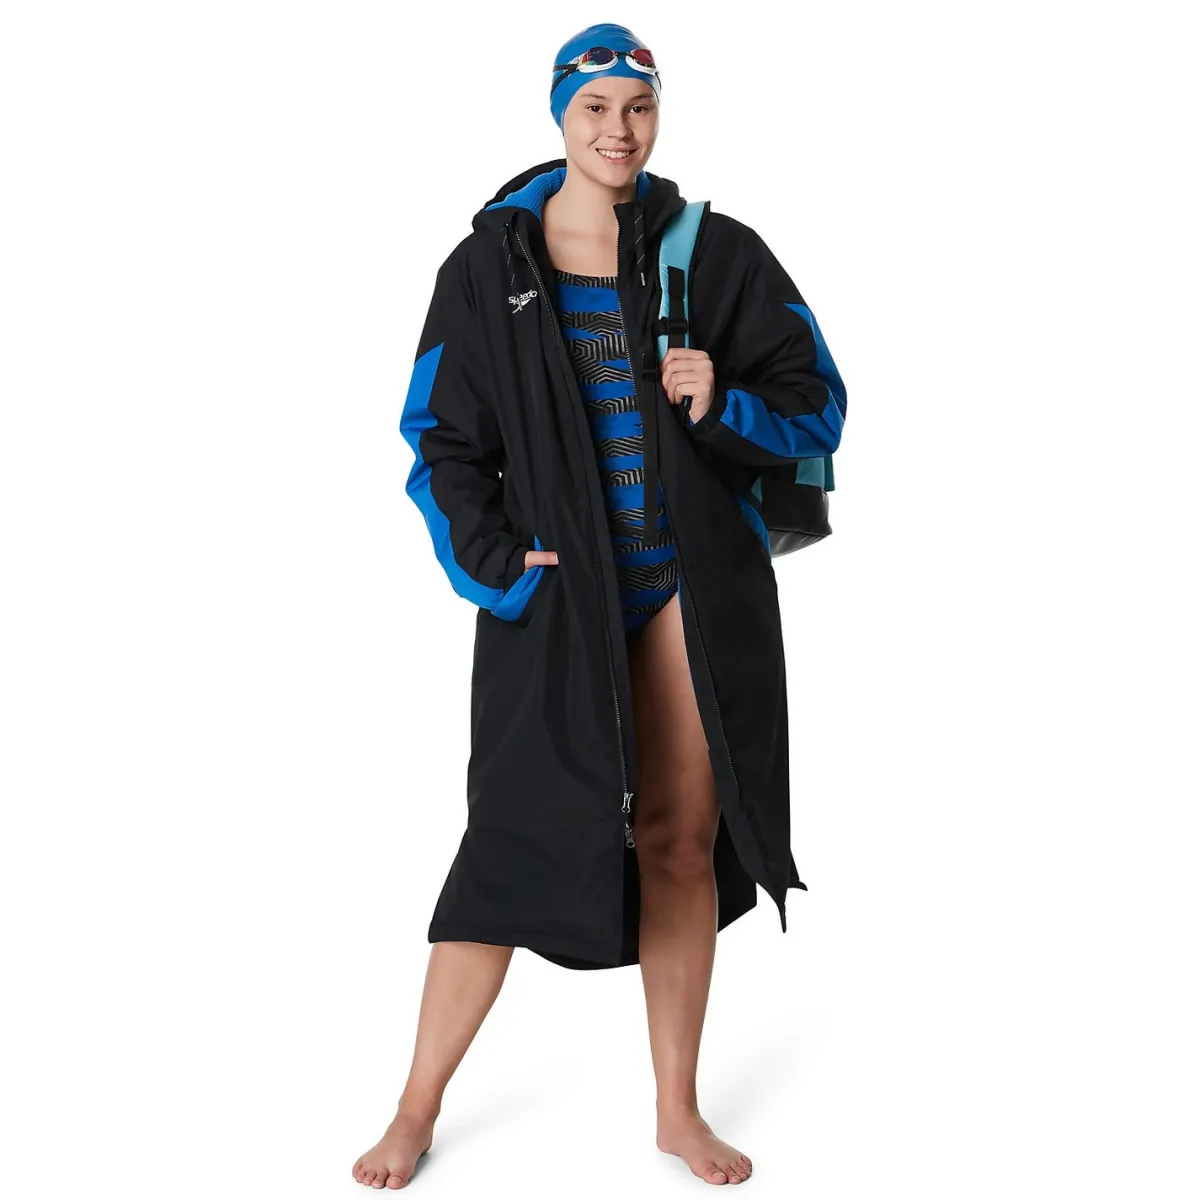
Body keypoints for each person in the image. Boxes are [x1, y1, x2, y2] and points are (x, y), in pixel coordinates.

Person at [353, 22, 847, 1190]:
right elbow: (439, 439)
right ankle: (415, 1108)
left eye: (639, 106)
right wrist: (495, 562)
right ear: (560, 117)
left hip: (685, 584)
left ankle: (677, 1109)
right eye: (597, 109)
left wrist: (722, 399)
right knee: (506, 846)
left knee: (679, 841)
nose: (620, 130)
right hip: (556, 594)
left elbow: (817, 401)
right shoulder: (488, 267)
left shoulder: (711, 252)